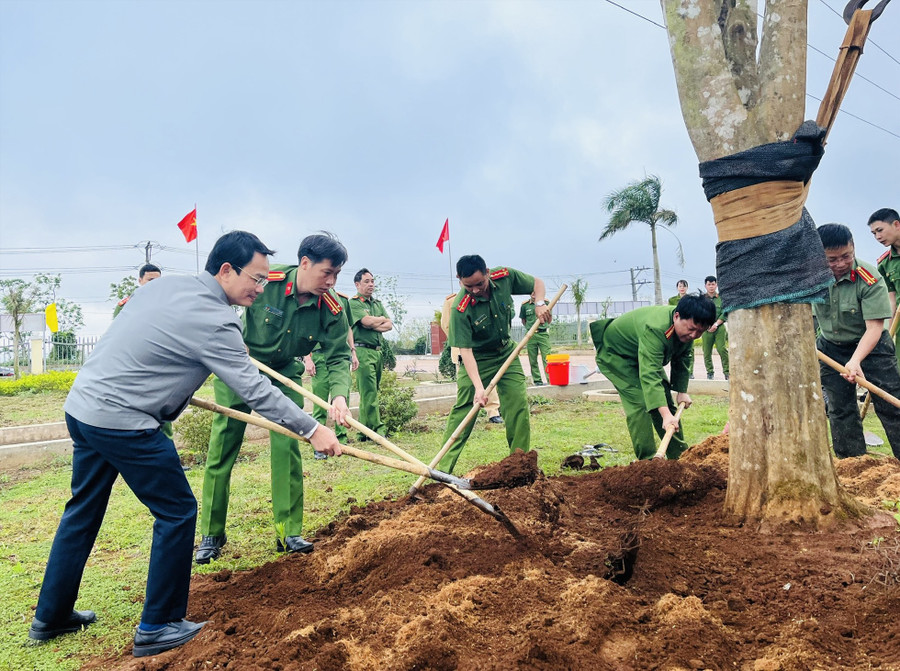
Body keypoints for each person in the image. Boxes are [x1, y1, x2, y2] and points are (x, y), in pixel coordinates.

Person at [28, 231, 342, 657]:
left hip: (84, 408)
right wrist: (312, 429)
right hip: (125, 422)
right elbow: (254, 388)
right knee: (177, 511)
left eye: (266, 280)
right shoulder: (217, 319)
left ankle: (51, 615)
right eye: (255, 278)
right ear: (226, 270)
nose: (260, 287)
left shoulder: (166, 286)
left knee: (82, 510)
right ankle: (158, 625)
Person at [196, 232, 352, 564]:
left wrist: (339, 396)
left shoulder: (333, 306)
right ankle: (211, 533)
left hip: (285, 373)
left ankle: (288, 530)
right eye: (327, 272)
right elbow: (226, 302)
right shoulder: (266, 280)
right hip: (241, 366)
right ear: (305, 263)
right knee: (223, 444)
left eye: (337, 274)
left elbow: (338, 356)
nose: (332, 281)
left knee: (288, 444)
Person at [439, 255, 550, 474]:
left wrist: (539, 303)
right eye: (468, 286)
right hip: (477, 358)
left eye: (480, 284)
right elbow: (466, 351)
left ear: (488, 272)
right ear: (459, 279)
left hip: (506, 352)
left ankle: (519, 466)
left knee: (517, 405)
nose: (476, 290)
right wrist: (479, 388)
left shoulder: (504, 277)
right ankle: (442, 470)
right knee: (464, 410)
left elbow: (537, 283)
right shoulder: (460, 308)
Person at [590, 295, 715, 460]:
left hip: (641, 354)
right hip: (616, 355)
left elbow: (683, 359)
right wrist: (664, 415)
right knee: (640, 402)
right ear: (677, 316)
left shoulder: (686, 331)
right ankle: (648, 461)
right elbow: (649, 375)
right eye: (691, 329)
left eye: (700, 332)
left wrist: (681, 391)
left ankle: (679, 457)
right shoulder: (656, 328)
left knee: (666, 404)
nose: (694, 335)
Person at [814, 223, 900, 460]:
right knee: (839, 409)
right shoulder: (810, 280)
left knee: (891, 404)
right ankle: (852, 464)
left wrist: (855, 360)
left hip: (873, 347)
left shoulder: (869, 278)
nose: (840, 264)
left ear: (853, 248)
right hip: (830, 348)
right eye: (832, 259)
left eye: (846, 256)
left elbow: (874, 327)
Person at [305, 291, 359, 454]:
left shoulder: (342, 300)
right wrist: (307, 357)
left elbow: (347, 327)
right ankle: (319, 445)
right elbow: (303, 328)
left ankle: (341, 439)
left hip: (339, 356)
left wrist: (353, 351)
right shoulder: (309, 297)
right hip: (318, 354)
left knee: (341, 397)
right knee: (319, 398)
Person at [441, 291, 503, 424]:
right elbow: (446, 324)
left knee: (489, 381)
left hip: (482, 348)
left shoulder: (484, 298)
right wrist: (461, 338)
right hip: (461, 348)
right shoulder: (452, 301)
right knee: (464, 385)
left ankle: (493, 411)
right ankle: (467, 415)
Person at [347, 269, 393, 438]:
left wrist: (373, 323)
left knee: (372, 390)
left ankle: (363, 432)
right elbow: (365, 321)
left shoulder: (376, 303)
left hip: (377, 351)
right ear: (357, 284)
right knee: (369, 392)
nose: (371, 284)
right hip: (363, 351)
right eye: (366, 281)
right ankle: (377, 429)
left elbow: (389, 325)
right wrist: (376, 321)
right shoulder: (354, 303)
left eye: (372, 281)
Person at [869, 207, 900, 365]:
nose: (878, 237)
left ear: (896, 225)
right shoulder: (884, 264)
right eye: (874, 233)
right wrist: (888, 333)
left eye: (880, 230)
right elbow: (891, 300)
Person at [520, 291, 552, 385]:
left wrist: (543, 326)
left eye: (536, 290)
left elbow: (549, 318)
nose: (534, 293)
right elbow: (523, 320)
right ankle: (537, 381)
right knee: (533, 359)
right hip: (531, 335)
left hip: (543, 334)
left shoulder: (545, 303)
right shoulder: (525, 305)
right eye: (532, 291)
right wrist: (531, 329)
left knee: (547, 358)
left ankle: (550, 380)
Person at [700, 275, 729, 380]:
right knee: (707, 352)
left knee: (722, 349)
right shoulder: (702, 299)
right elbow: (699, 313)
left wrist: (716, 324)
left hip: (719, 327)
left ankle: (727, 372)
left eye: (713, 284)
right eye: (709, 284)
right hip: (705, 328)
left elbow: (725, 312)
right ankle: (710, 372)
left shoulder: (721, 298)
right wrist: (706, 325)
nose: (711, 287)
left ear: (716, 285)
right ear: (705, 286)